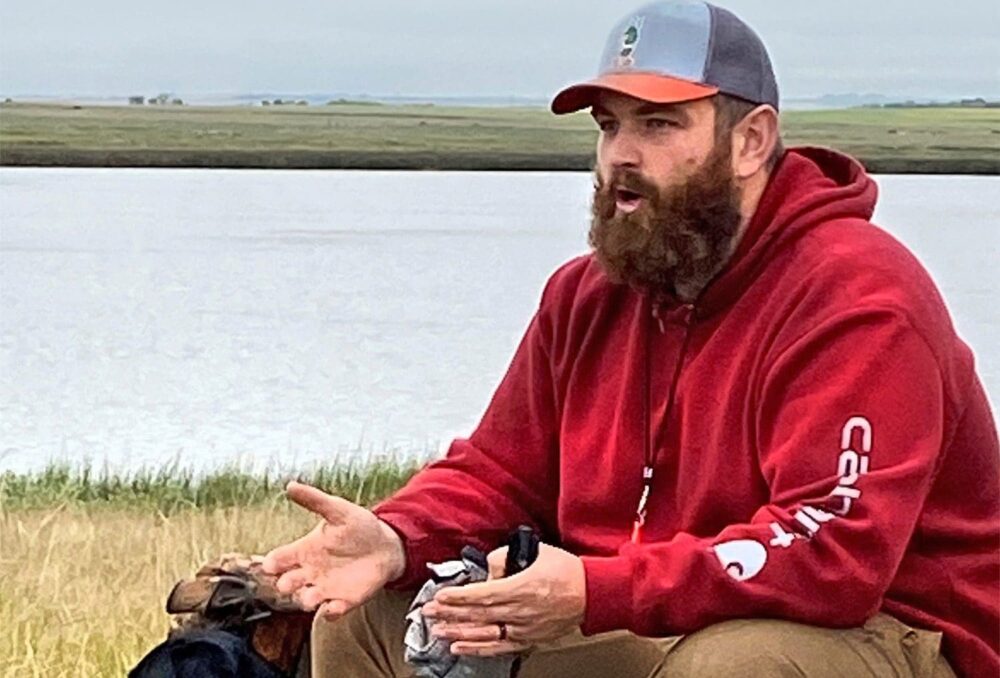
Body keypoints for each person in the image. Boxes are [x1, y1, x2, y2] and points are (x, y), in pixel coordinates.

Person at [262, 2, 999, 676]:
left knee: (733, 669)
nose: (620, 153)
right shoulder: (587, 295)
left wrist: (596, 587)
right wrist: (397, 538)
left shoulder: (859, 294)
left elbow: (834, 553)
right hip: (661, 615)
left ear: (751, 141)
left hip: (893, 633)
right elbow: (501, 474)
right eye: (609, 125)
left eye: (658, 124)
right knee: (365, 616)